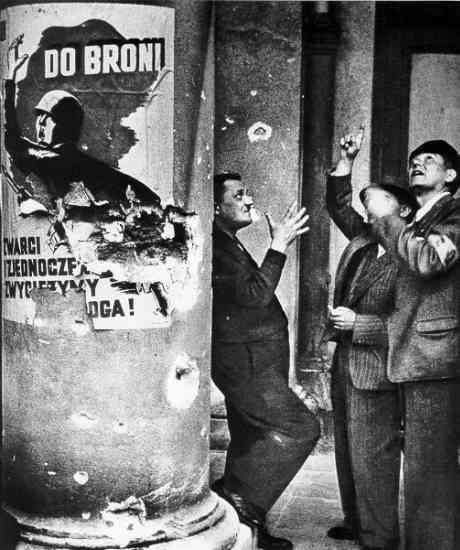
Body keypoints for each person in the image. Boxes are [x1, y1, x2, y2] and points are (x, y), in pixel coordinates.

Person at [211, 172, 320, 550]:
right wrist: (279, 244)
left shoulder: (227, 243)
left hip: (252, 360)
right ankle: (238, 504)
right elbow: (256, 296)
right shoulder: (216, 247)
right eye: (239, 195)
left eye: (248, 192)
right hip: (246, 364)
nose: (248, 200)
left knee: (249, 439)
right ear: (215, 207)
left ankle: (241, 531)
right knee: (302, 428)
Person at [325, 127, 418, 550]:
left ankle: (380, 537)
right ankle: (357, 522)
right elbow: (338, 205)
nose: (367, 210)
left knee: (373, 456)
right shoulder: (365, 243)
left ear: (406, 212)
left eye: (377, 203)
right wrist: (345, 163)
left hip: (377, 368)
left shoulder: (411, 257)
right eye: (366, 205)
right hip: (346, 362)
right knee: (347, 450)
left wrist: (357, 324)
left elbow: (407, 322)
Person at [372, 139, 460, 550]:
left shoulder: (455, 214)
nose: (417, 165)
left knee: (430, 473)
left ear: (451, 175)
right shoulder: (423, 217)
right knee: (424, 469)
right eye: (413, 161)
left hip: (435, 356)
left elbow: (428, 261)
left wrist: (389, 219)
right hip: (416, 354)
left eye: (429, 160)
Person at [4, 52, 161, 215]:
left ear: (65, 124)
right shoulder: (94, 168)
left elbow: (12, 140)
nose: (41, 123)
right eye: (39, 117)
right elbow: (150, 199)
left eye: (49, 117)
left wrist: (10, 79)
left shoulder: (45, 159)